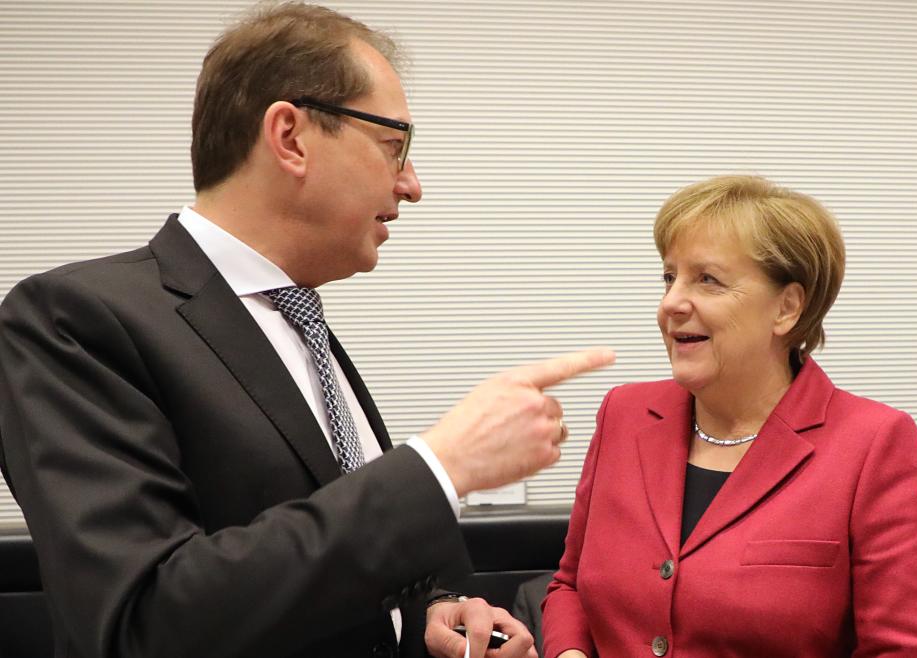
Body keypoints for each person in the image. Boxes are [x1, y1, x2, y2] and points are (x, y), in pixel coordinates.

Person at [0, 4, 615, 658]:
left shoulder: (298, 319)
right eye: (394, 145)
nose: (412, 185)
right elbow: (141, 621)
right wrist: (441, 465)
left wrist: (425, 614)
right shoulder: (71, 319)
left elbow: (316, 568)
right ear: (290, 136)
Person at [541, 175, 917, 657]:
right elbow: (569, 587)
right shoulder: (625, 414)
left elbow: (908, 650)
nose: (670, 303)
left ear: (787, 308)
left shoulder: (872, 443)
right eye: (669, 277)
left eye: (707, 280)